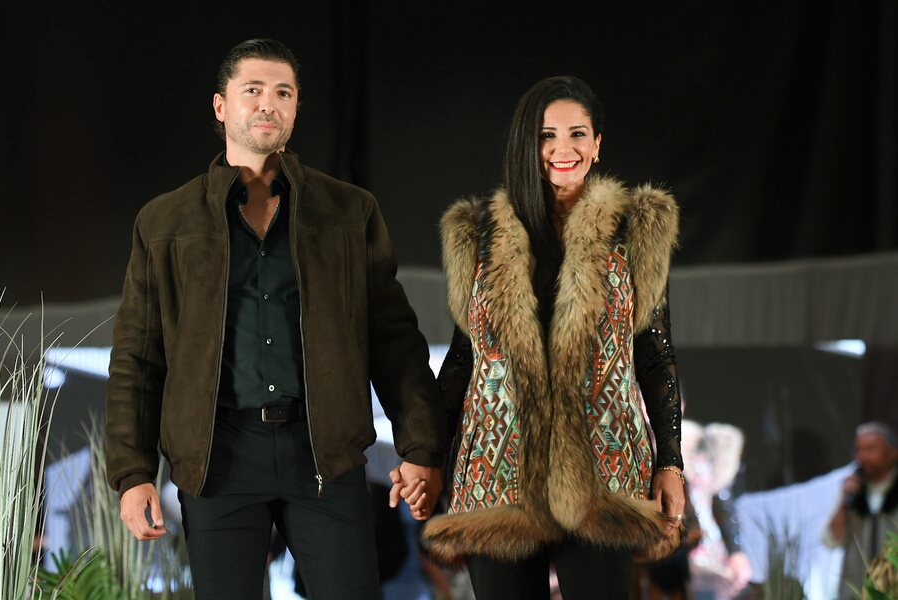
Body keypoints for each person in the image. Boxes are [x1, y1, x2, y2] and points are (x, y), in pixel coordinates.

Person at [105, 38, 445, 600]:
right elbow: (138, 357)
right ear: (221, 106)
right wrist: (132, 472)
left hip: (323, 452)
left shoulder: (348, 211)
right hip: (217, 458)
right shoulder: (164, 221)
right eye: (253, 90)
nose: (268, 103)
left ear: (295, 108)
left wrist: (420, 448)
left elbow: (395, 341)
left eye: (283, 92)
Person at [422, 76, 686, 600]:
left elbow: (654, 354)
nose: (563, 149)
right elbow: (461, 362)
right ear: (526, 144)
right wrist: (426, 455)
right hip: (495, 472)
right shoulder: (477, 233)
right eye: (547, 135)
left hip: (604, 472)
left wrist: (671, 460)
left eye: (577, 134)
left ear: (597, 145)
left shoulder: (636, 229)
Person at [825, 422, 898, 599]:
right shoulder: (852, 489)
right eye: (859, 450)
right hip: (856, 590)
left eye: (870, 449)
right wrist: (844, 501)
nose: (862, 457)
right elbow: (832, 540)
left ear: (892, 453)